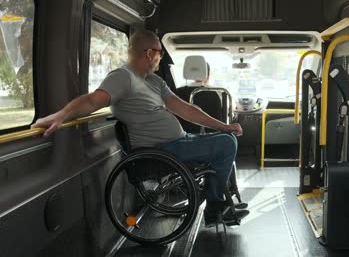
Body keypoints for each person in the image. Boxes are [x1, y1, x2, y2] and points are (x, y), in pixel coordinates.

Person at [31, 29, 249, 227]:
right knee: (226, 143)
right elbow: (92, 100)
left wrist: (224, 126)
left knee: (225, 137)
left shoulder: (154, 81)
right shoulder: (122, 77)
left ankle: (218, 202)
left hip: (178, 142)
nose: (161, 58)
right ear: (148, 53)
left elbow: (185, 109)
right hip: (162, 150)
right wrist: (61, 115)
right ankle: (215, 207)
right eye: (160, 53)